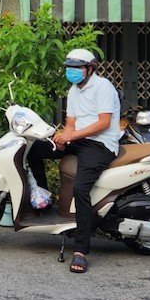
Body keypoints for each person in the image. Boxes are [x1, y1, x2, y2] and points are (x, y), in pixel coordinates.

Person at [51, 48, 121, 274]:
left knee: (81, 189)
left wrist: (71, 136)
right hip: (79, 140)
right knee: (33, 150)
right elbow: (71, 123)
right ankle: (40, 204)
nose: (72, 72)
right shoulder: (73, 91)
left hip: (101, 145)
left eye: (77, 68)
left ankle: (80, 250)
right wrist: (63, 139)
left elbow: (104, 123)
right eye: (69, 68)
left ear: (91, 69)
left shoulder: (103, 87)